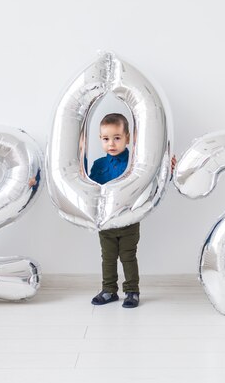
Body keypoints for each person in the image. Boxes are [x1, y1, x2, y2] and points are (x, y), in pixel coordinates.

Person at [88, 113, 141, 308]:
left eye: (117, 138)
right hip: (106, 220)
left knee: (128, 256)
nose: (111, 143)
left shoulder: (136, 163)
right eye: (106, 139)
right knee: (108, 257)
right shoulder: (98, 165)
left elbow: (149, 183)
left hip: (128, 219)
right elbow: (90, 187)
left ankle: (132, 291)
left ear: (127, 138)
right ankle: (109, 290)